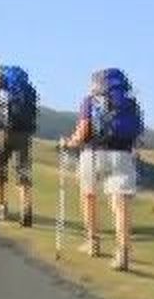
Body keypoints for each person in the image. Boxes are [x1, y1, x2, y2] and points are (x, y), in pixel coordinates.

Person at [60, 68, 144, 271]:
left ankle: (92, 242)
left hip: (93, 154)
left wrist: (68, 143)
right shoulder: (131, 103)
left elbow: (84, 131)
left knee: (88, 195)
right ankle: (122, 252)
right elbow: (138, 135)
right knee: (120, 205)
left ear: (99, 83)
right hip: (123, 155)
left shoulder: (90, 101)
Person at [0, 65, 38, 225]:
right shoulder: (28, 88)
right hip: (24, 134)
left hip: (2, 132)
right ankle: (26, 209)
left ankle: (1, 207)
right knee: (23, 171)